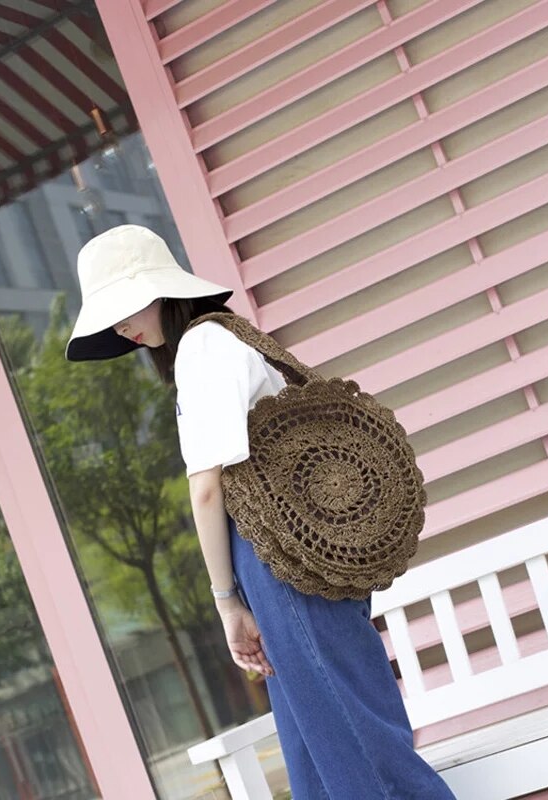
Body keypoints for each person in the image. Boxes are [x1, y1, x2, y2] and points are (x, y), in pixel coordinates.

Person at [66, 225, 458, 800]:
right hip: (288, 552)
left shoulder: (203, 346)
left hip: (274, 560)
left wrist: (226, 602)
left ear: (162, 290)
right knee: (320, 760)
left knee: (360, 756)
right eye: (109, 317)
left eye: (125, 305)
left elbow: (206, 489)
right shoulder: (222, 343)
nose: (120, 326)